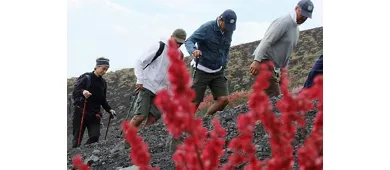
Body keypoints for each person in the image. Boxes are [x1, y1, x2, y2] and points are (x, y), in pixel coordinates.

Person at [249, 0, 314, 97]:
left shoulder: (296, 30)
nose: (304, 18)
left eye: (307, 16)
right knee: (275, 97)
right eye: (303, 14)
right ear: (296, 8)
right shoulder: (283, 22)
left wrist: (284, 73)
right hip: (264, 62)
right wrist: (257, 60)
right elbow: (267, 40)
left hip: (274, 68)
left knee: (268, 100)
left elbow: (287, 53)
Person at [184, 9, 237, 119]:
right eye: (226, 25)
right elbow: (189, 41)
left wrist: (224, 62)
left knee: (223, 100)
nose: (228, 29)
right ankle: (184, 128)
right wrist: (193, 50)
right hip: (201, 69)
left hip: (218, 70)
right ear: (220, 19)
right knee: (194, 102)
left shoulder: (229, 30)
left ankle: (206, 120)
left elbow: (226, 49)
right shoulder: (207, 28)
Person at [129, 28, 187, 129]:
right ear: (171, 37)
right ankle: (127, 139)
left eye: (180, 44)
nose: (178, 45)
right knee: (140, 116)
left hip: (162, 92)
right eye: (176, 42)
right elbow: (139, 62)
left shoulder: (180, 56)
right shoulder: (159, 46)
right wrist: (140, 80)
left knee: (153, 118)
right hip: (147, 86)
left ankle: (144, 140)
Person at [71, 57, 117, 148]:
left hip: (95, 114)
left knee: (95, 137)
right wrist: (83, 91)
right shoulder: (86, 77)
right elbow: (76, 90)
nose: (104, 71)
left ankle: (84, 153)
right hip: (81, 111)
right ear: (97, 67)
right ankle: (75, 157)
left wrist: (109, 109)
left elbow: (102, 99)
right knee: (77, 139)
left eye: (106, 70)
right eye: (103, 69)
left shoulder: (103, 83)